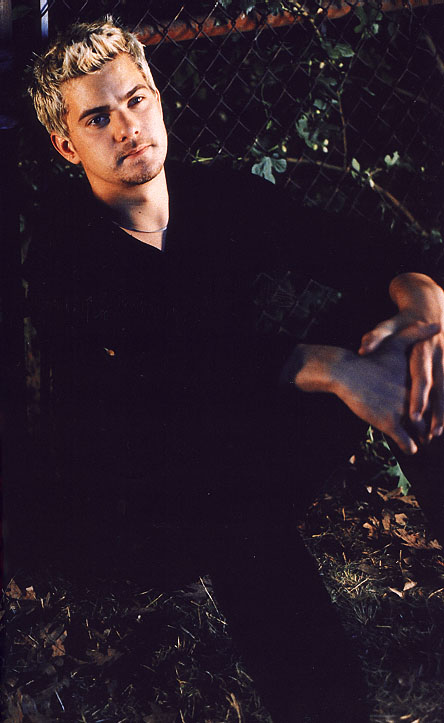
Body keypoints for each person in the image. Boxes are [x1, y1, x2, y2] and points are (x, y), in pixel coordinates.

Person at [22, 17, 444, 722]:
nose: (127, 127)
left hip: (246, 434)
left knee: (410, 339)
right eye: (97, 118)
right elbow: (161, 375)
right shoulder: (63, 250)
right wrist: (327, 366)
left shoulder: (217, 197)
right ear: (68, 144)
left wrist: (425, 306)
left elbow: (358, 245)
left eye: (135, 100)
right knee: (230, 497)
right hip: (148, 499)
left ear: (156, 97)